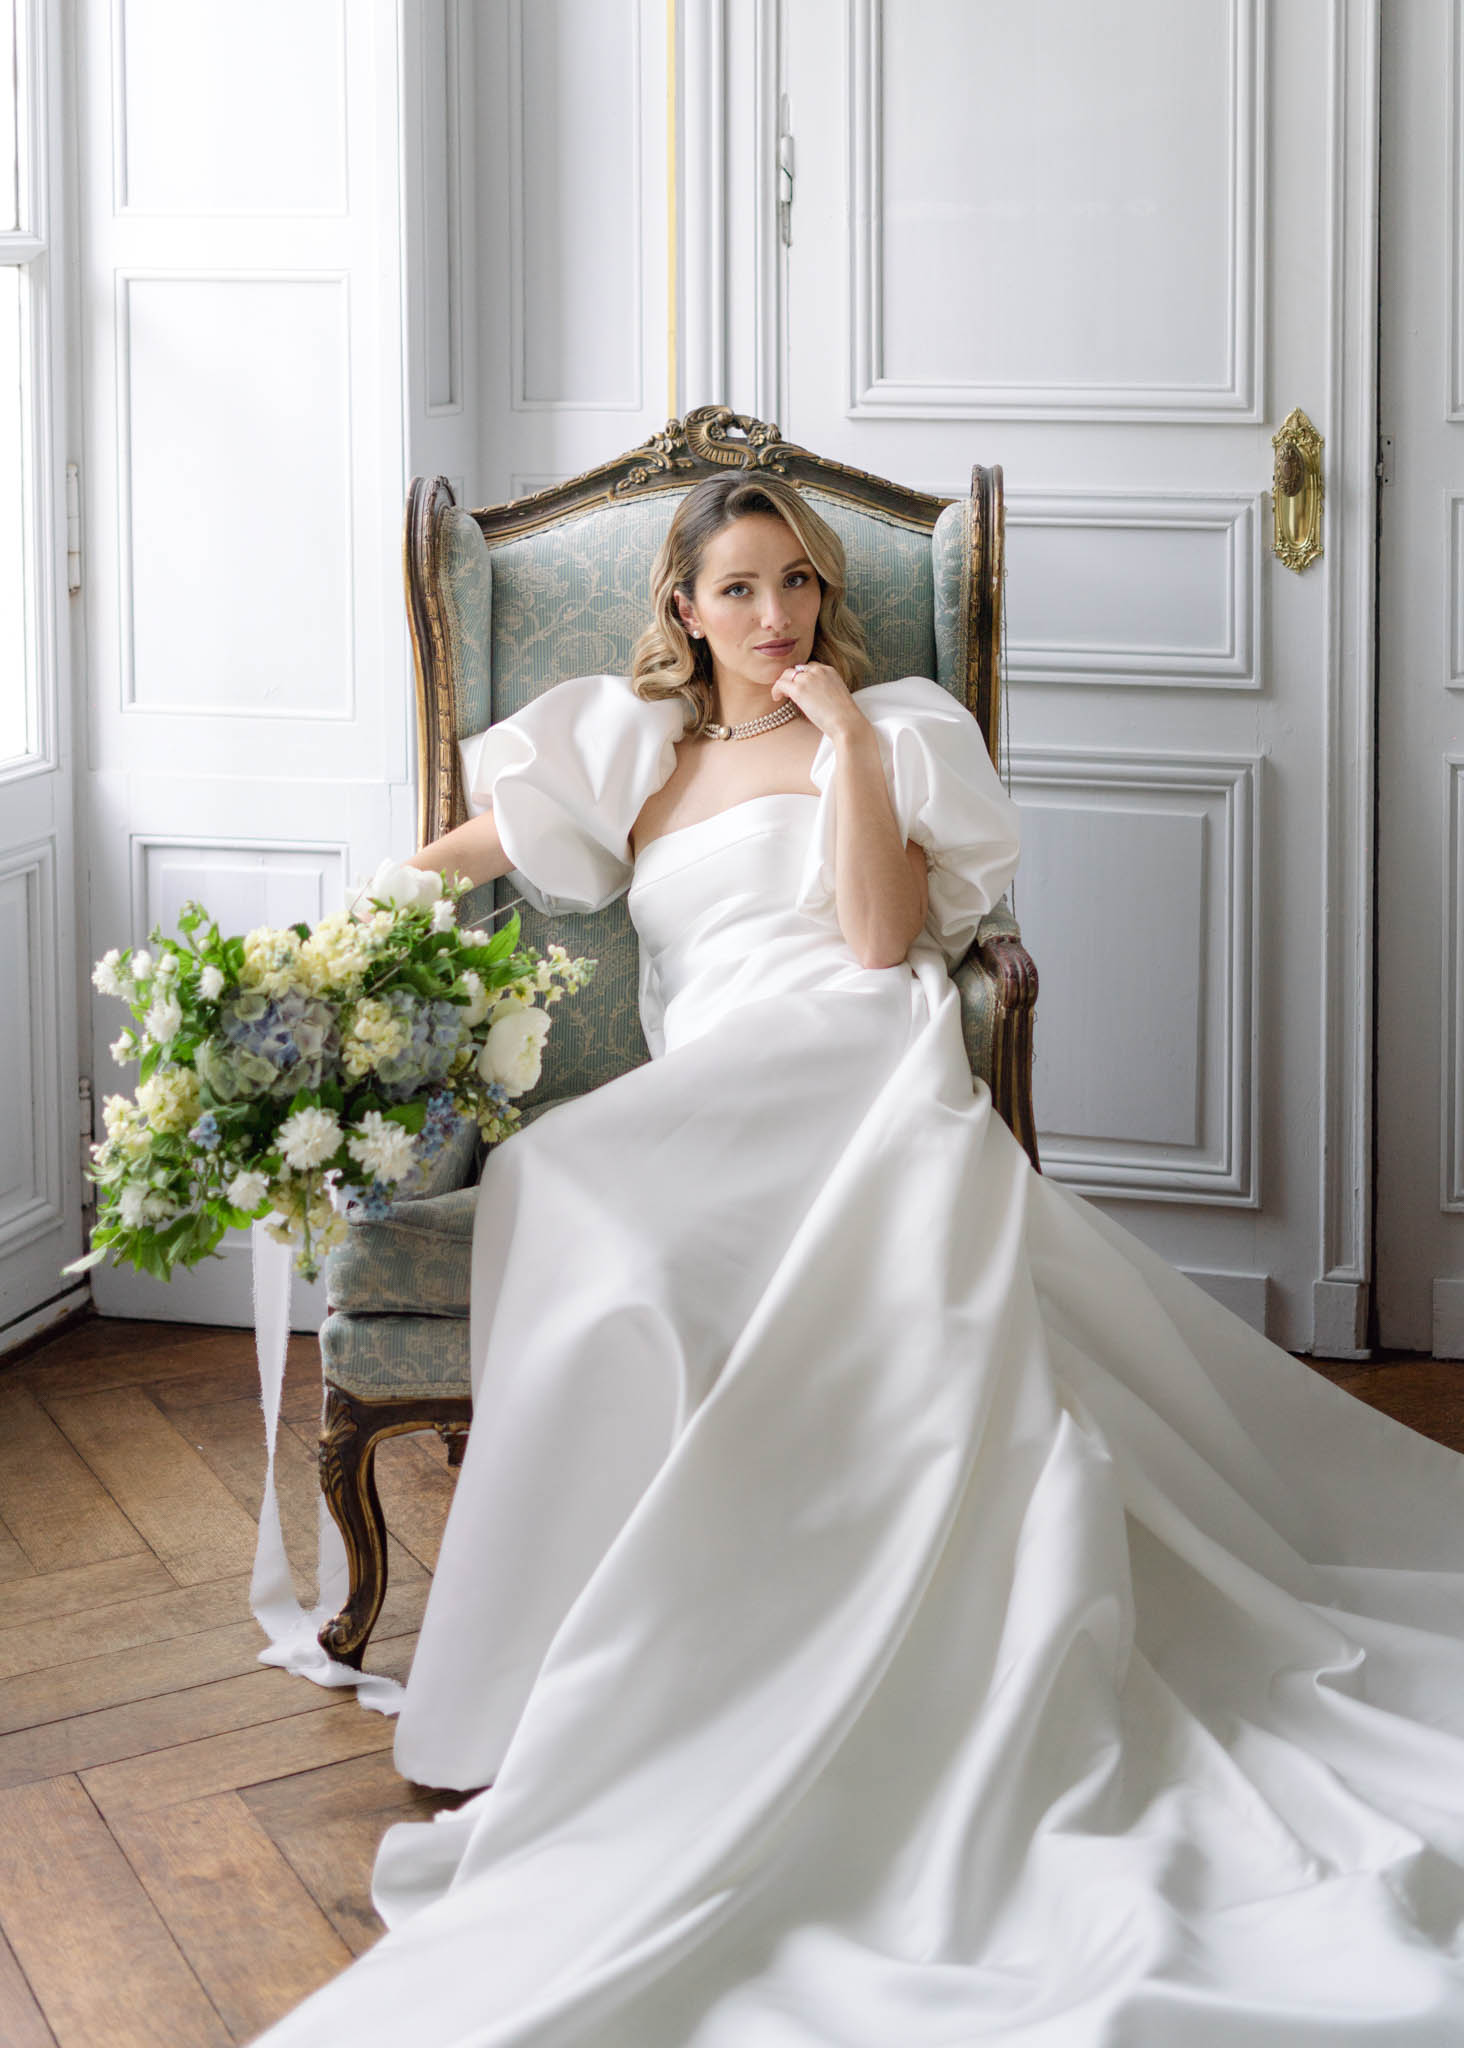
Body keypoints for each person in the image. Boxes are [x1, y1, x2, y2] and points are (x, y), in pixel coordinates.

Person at [259, 475, 1464, 2045]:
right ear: (684, 609)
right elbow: (470, 851)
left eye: (799, 585)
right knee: (563, 1188)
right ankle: (583, 1661)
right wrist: (307, 961)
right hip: (707, 1085)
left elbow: (887, 942)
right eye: (741, 589)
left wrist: (847, 743)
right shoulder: (635, 753)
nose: (777, 616)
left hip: (849, 1046)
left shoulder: (890, 728)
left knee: (608, 1182)